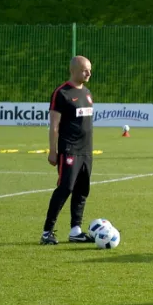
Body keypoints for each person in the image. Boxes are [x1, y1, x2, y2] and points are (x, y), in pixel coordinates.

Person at [42, 57, 96, 246]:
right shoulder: (62, 93)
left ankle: (76, 231)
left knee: (82, 190)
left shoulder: (87, 93)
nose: (89, 73)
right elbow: (54, 125)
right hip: (69, 149)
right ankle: (47, 232)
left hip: (86, 150)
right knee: (65, 188)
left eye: (89, 70)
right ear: (73, 71)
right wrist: (53, 151)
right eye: (85, 70)